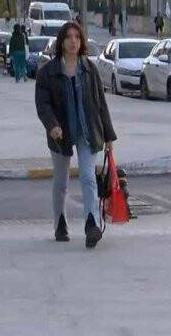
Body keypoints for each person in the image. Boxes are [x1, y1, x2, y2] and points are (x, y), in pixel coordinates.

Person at [35, 21, 117, 249]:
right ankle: (60, 222)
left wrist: (108, 136)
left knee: (88, 177)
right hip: (60, 134)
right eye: (69, 37)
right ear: (61, 41)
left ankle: (91, 223)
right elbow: (43, 105)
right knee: (61, 182)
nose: (73, 41)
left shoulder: (89, 69)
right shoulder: (48, 72)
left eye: (77, 37)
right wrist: (52, 125)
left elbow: (101, 104)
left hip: (87, 131)